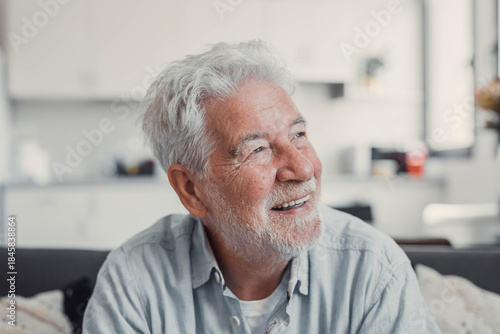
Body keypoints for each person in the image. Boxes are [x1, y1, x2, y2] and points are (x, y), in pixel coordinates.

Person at [83, 40, 440, 333]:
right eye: (257, 150)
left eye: (299, 135)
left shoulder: (374, 269)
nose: (302, 168)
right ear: (190, 188)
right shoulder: (134, 279)